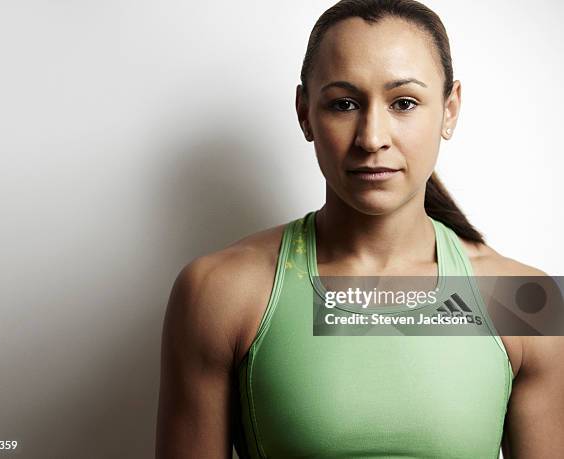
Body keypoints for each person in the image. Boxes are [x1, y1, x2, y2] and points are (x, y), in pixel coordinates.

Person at [155, 0, 564, 457]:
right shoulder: (221, 291)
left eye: (404, 102)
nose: (372, 138)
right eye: (344, 103)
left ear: (450, 110)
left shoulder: (523, 299)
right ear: (305, 112)